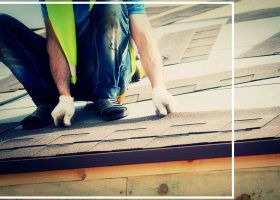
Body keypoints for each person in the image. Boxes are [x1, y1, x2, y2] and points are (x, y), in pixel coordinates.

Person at [0, 0, 176, 130]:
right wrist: (64, 95)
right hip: (72, 76)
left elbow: (143, 35)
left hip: (107, 72)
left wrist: (158, 87)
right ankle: (49, 102)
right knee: (2, 25)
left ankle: (106, 95)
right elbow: (55, 41)